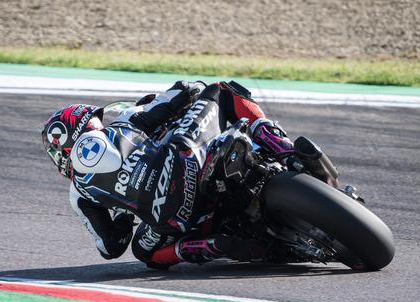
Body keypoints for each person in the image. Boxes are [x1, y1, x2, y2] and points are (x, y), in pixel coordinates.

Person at [42, 80, 334, 269]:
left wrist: (123, 209)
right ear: (91, 124)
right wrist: (187, 92)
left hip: (171, 217)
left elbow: (111, 247)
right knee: (222, 89)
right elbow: (187, 90)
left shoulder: (79, 194)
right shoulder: (127, 120)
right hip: (189, 159)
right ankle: (284, 149)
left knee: (146, 254)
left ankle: (206, 246)